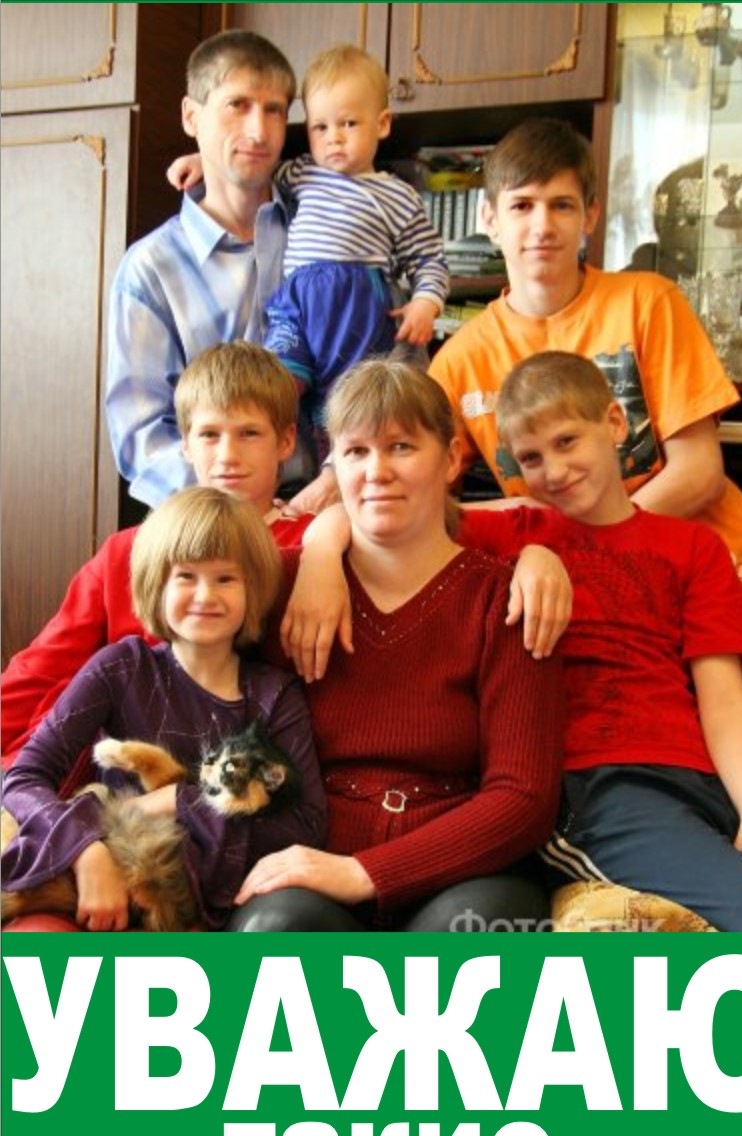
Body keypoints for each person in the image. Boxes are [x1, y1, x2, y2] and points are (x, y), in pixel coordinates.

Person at [428, 116, 742, 810]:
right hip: (609, 626)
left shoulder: (648, 302)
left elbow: (698, 471)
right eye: (522, 206)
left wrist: (574, 541)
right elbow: (414, 484)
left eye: (562, 205)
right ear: (489, 219)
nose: (542, 226)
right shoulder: (460, 358)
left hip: (735, 596)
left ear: (590, 216)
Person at [228, 359, 565, 933]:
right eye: (356, 452)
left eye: (401, 447)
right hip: (310, 855)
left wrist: (365, 872)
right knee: (275, 929)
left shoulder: (506, 599)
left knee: (475, 935)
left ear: (451, 458)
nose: (376, 471)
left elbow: (524, 798)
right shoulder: (280, 584)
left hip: (465, 867)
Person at [458, 352, 742, 933]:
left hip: (703, 777)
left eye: (567, 441)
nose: (554, 470)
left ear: (615, 423)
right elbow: (385, 515)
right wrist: (322, 559)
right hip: (595, 787)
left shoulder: (693, 547)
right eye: (531, 458)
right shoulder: (512, 535)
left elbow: (723, 698)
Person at [1, 488, 326, 932]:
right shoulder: (121, 667)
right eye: (186, 576)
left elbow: (305, 826)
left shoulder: (274, 694)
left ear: (254, 590)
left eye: (225, 579)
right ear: (157, 585)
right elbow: (24, 778)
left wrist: (175, 800)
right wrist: (86, 851)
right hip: (95, 882)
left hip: (195, 907)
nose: (205, 595)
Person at [2, 343, 314, 769]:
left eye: (249, 433)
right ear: (185, 444)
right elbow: (43, 666)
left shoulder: (309, 548)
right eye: (209, 435)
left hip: (225, 771)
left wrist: (328, 543)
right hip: (87, 762)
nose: (227, 455)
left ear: (286, 441)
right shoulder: (126, 551)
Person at [169, 45, 449, 466]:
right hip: (296, 305)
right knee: (276, 388)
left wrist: (427, 302)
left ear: (382, 123)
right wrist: (203, 158)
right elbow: (247, 167)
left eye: (349, 123)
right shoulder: (300, 172)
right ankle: (256, 460)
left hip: (355, 304)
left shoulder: (399, 196)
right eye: (319, 127)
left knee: (353, 397)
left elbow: (429, 258)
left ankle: (339, 467)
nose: (333, 137)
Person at [106, 30, 299, 508]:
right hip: (209, 523)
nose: (259, 131)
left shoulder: (326, 228)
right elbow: (142, 437)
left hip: (333, 514)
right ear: (191, 116)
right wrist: (238, 510)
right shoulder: (151, 268)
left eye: (274, 110)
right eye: (238, 105)